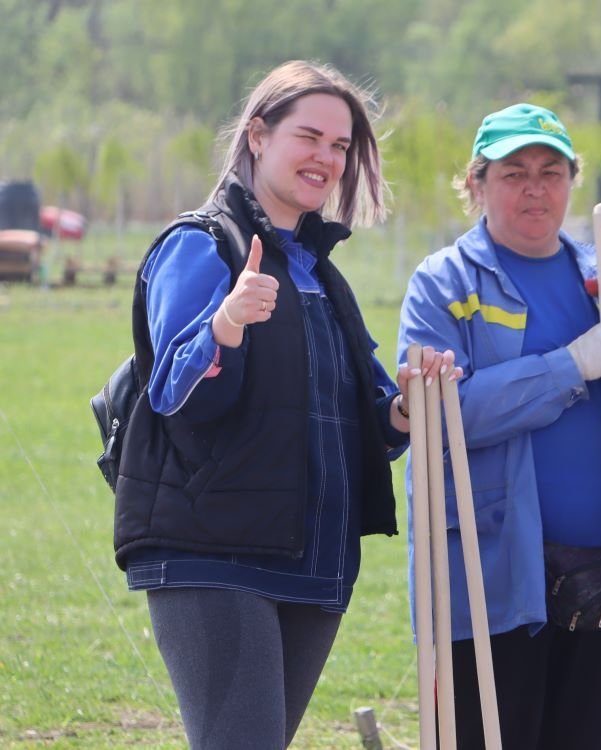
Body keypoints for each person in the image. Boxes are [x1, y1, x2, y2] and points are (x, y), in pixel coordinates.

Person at [111, 60, 457, 749]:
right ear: (259, 136)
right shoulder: (200, 245)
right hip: (215, 553)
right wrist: (226, 323)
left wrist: (408, 410)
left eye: (341, 145)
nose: (327, 157)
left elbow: (363, 421)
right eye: (311, 136)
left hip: (314, 558)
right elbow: (174, 392)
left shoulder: (320, 271)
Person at [397, 102, 601, 749]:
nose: (535, 188)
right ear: (477, 184)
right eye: (514, 172)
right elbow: (444, 415)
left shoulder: (600, 276)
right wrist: (573, 364)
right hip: (494, 578)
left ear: (572, 182)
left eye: (551, 171)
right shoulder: (443, 284)